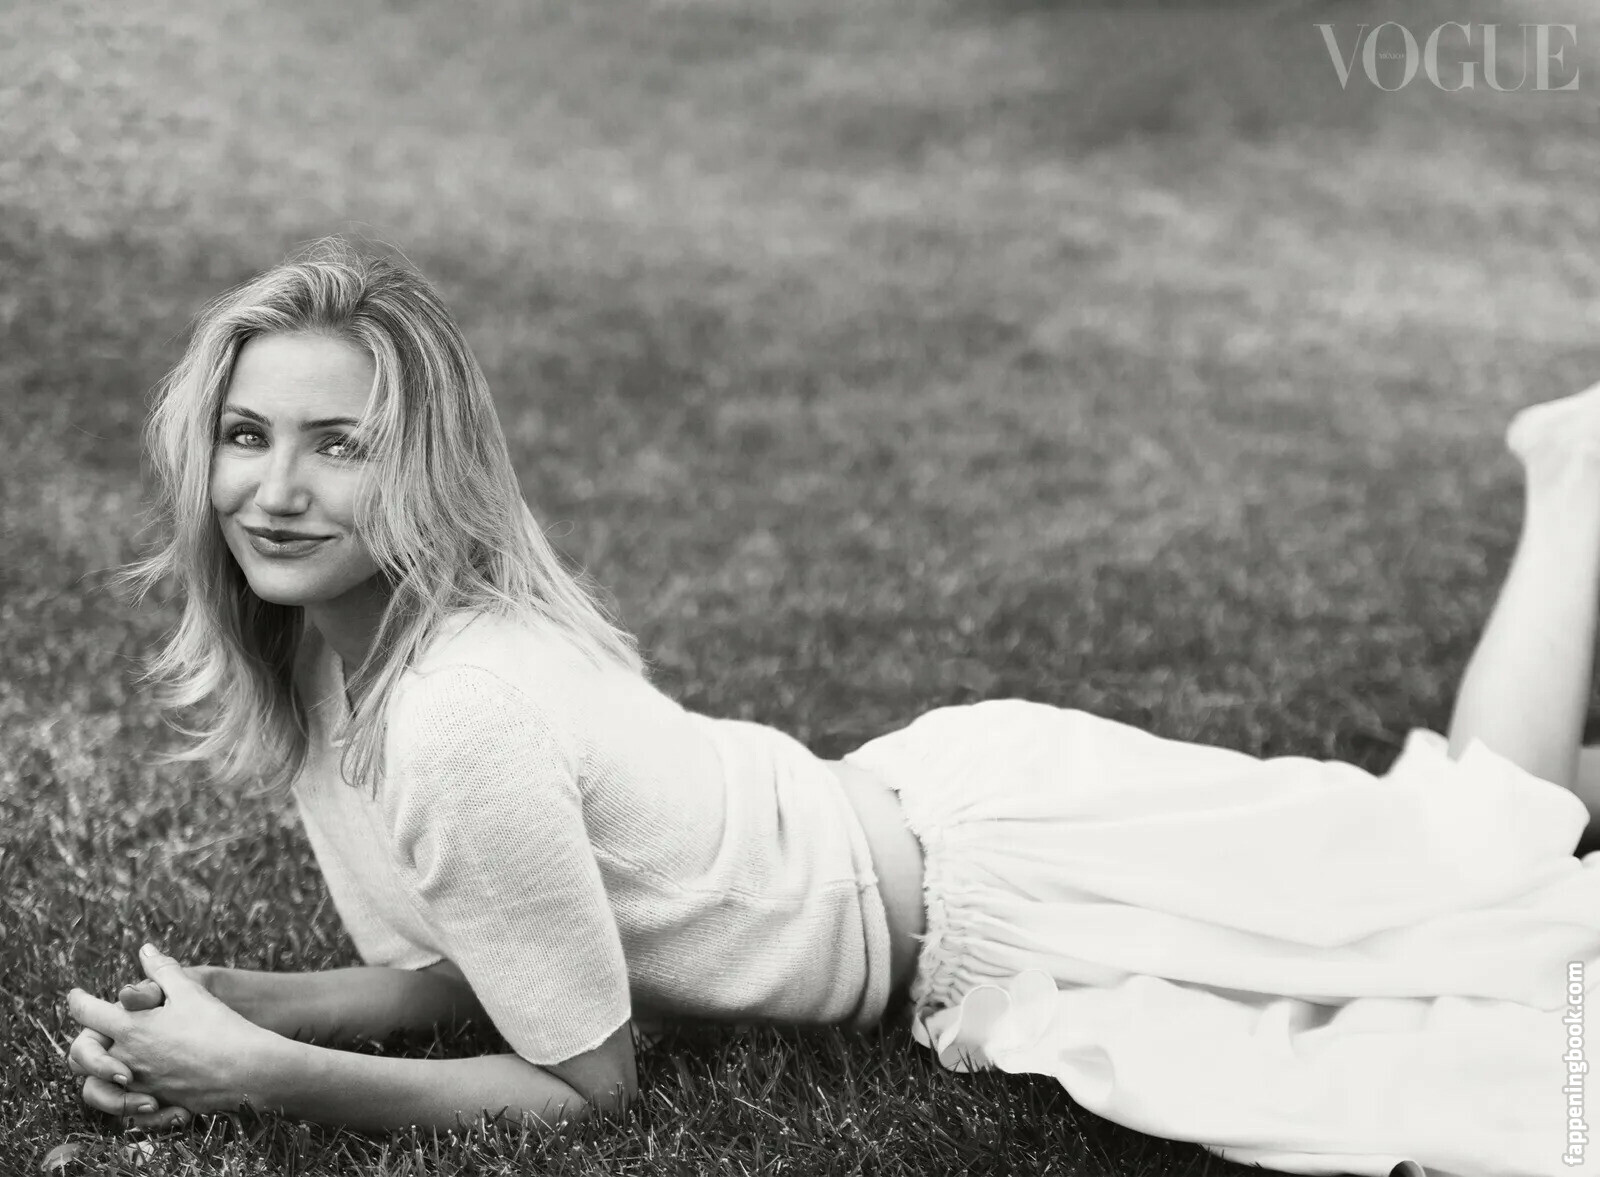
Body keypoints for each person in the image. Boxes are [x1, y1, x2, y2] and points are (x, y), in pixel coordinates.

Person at [65, 236, 1600, 1177]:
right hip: (938, 847)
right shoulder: (331, 658)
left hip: (1021, 871)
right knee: (1448, 856)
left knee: (1482, 861)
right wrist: (253, 997)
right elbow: (508, 957)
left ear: (421, 467)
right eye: (248, 435)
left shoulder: (457, 707)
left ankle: (1574, 475)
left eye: (337, 443)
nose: (276, 488)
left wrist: (271, 1075)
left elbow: (584, 1083)